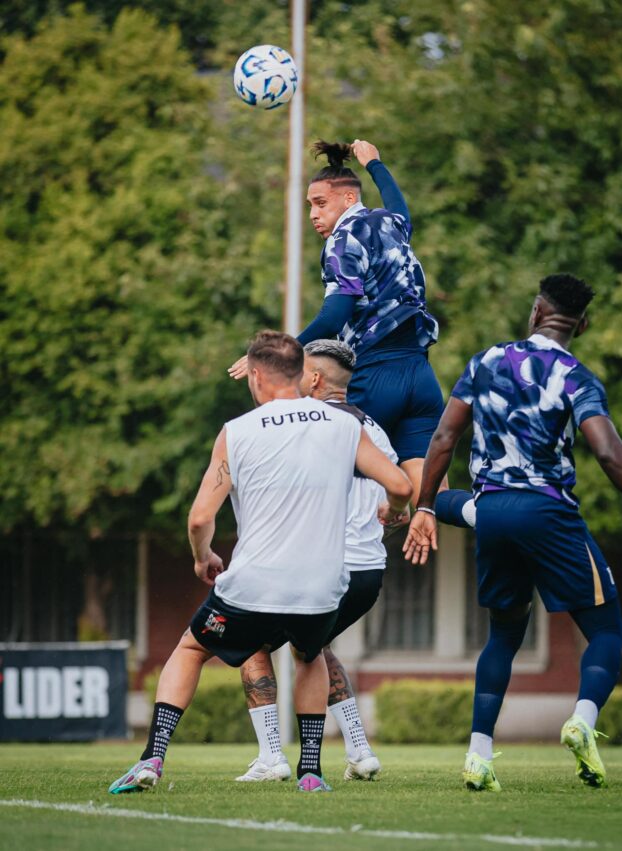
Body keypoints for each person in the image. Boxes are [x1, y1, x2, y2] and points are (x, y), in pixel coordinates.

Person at [108, 331, 412, 795]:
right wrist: (395, 507)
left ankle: (152, 759)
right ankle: (310, 772)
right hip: (323, 586)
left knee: (191, 649)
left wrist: (203, 557)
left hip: (256, 581)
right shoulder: (344, 426)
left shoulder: (238, 431)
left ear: (255, 377)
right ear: (301, 374)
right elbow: (402, 485)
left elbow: (200, 518)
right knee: (310, 653)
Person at [404, 274, 622, 791]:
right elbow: (609, 453)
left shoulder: (484, 362)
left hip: (492, 510)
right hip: (548, 512)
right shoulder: (577, 377)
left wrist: (426, 505)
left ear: (535, 312)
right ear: (581, 325)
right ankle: (582, 721)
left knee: (504, 634)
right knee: (608, 632)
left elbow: (443, 437)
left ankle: (478, 756)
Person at [229, 140, 444, 503]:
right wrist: (375, 164)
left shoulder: (343, 240)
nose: (313, 214)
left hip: (376, 373)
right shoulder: (389, 223)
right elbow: (401, 209)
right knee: (430, 498)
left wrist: (277, 353)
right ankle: (479, 514)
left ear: (348, 199)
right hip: (420, 374)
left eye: (321, 203)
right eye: (310, 206)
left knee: (333, 484)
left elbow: (335, 315)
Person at [235, 340, 401, 784]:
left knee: (251, 643)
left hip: (318, 564)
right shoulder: (375, 430)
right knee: (314, 648)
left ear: (313, 379)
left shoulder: (308, 425)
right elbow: (395, 497)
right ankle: (360, 751)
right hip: (369, 572)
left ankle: (272, 755)